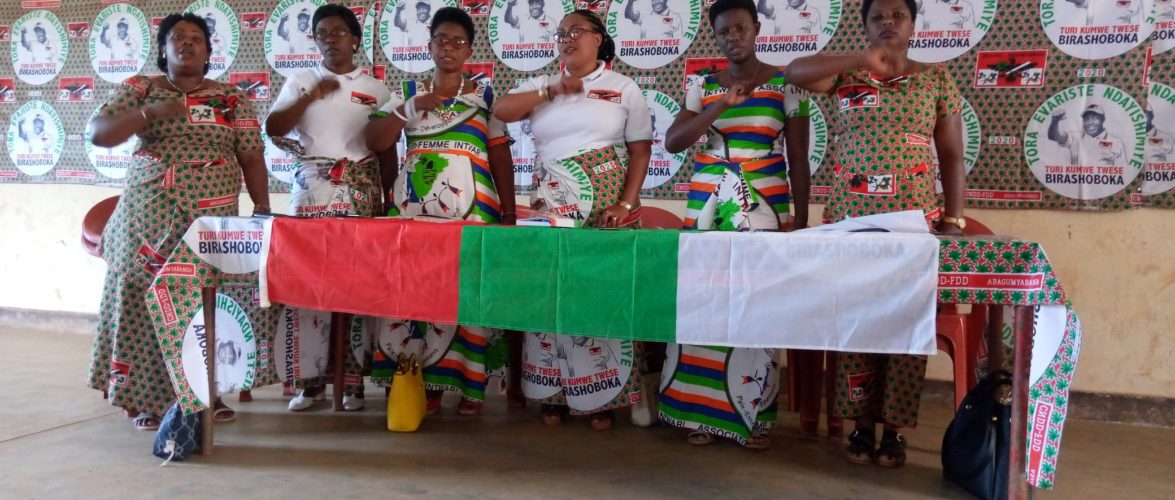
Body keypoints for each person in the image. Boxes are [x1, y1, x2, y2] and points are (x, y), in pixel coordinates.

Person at [786, 0, 966, 467]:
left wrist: (953, 219)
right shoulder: (845, 76)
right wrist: (860, 58)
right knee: (855, 321)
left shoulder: (937, 78)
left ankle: (894, 430)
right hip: (851, 222)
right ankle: (861, 426)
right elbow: (795, 72)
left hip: (914, 225)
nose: (888, 23)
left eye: (897, 15)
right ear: (864, 25)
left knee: (905, 322)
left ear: (913, 23)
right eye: (877, 17)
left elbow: (951, 154)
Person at [86, 13, 270, 431]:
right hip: (146, 218)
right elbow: (100, 133)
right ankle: (147, 400)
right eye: (177, 38)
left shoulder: (231, 98)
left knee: (206, 302)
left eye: (196, 38)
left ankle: (207, 393)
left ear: (208, 52)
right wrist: (149, 113)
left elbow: (251, 154)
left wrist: (261, 208)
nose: (186, 43)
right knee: (144, 300)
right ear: (163, 49)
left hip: (211, 220)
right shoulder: (141, 89)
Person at [658, 0, 810, 450]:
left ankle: (753, 416)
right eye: (724, 31)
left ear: (757, 28)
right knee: (702, 302)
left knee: (755, 305)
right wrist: (721, 105)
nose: (733, 37)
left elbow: (798, 158)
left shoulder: (788, 84)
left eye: (741, 28)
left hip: (765, 205)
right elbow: (674, 141)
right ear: (716, 36)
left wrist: (801, 219)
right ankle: (698, 413)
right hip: (707, 205)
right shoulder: (703, 85)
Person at [494, 9, 651, 430]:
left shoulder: (623, 87)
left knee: (599, 295)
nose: (567, 38)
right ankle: (554, 394)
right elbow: (503, 110)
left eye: (576, 31)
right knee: (552, 295)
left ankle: (601, 398)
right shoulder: (542, 84)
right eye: (561, 33)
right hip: (551, 207)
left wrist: (626, 204)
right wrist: (551, 90)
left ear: (598, 38)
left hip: (606, 208)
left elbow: (640, 150)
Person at [365, 6, 517, 416]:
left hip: (473, 211)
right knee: (417, 295)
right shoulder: (408, 91)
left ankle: (470, 383)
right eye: (441, 40)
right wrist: (410, 108)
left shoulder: (486, 97)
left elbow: (500, 155)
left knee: (466, 296)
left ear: (469, 50)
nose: (448, 47)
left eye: (458, 42)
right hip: (414, 212)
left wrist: (508, 212)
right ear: (429, 45)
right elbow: (376, 140)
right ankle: (420, 379)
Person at [266, 4, 395, 412]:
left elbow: (385, 148)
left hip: (360, 190)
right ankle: (312, 384)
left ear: (355, 39)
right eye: (321, 32)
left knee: (356, 284)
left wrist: (389, 198)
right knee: (309, 282)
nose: (329, 39)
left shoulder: (376, 89)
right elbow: (274, 127)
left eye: (338, 31)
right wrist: (310, 95)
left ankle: (352, 383)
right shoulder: (302, 79)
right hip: (311, 190)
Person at [1047, 104, 1127, 167]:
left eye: (1095, 118)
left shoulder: (1116, 142)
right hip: (1076, 182)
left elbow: (1124, 172)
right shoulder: (1075, 138)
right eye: (1087, 119)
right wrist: (1055, 121)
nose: (1090, 122)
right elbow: (1054, 136)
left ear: (1103, 119)